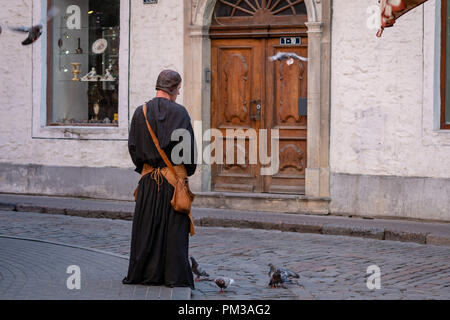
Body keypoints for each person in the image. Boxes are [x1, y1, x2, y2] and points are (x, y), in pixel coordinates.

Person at [123, 70, 197, 290]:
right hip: (173, 180)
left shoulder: (140, 112)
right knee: (173, 232)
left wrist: (146, 169)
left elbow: (133, 147)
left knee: (146, 230)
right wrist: (186, 172)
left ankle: (144, 273)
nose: (179, 92)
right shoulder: (180, 113)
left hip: (148, 180)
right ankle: (172, 276)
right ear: (173, 88)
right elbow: (188, 150)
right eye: (179, 89)